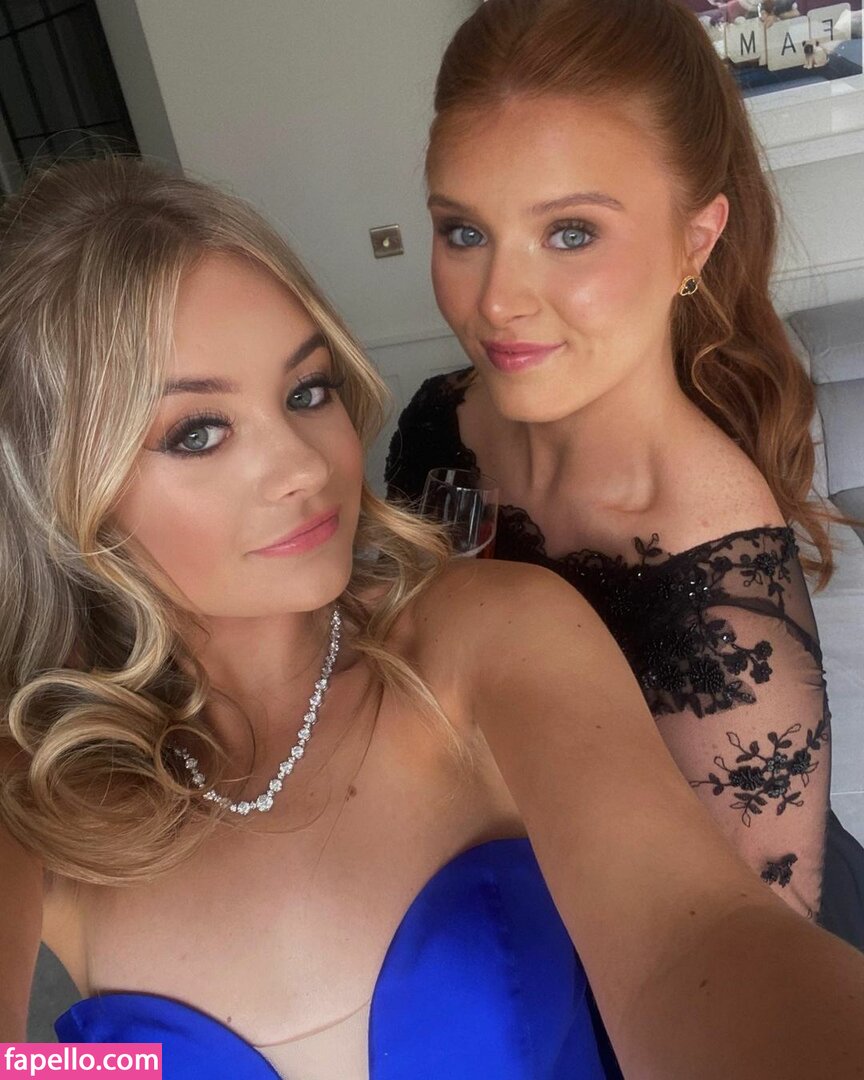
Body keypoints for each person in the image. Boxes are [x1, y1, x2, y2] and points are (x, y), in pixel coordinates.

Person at [2, 157, 864, 1080]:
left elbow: (693, 943)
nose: (305, 465)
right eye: (198, 432)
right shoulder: (38, 777)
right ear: (63, 487)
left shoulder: (491, 636)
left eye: (307, 391)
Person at [385, 0, 864, 952]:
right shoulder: (441, 423)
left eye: (571, 233)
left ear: (696, 239)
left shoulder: (714, 575)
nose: (497, 302)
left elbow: (744, 968)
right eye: (464, 232)